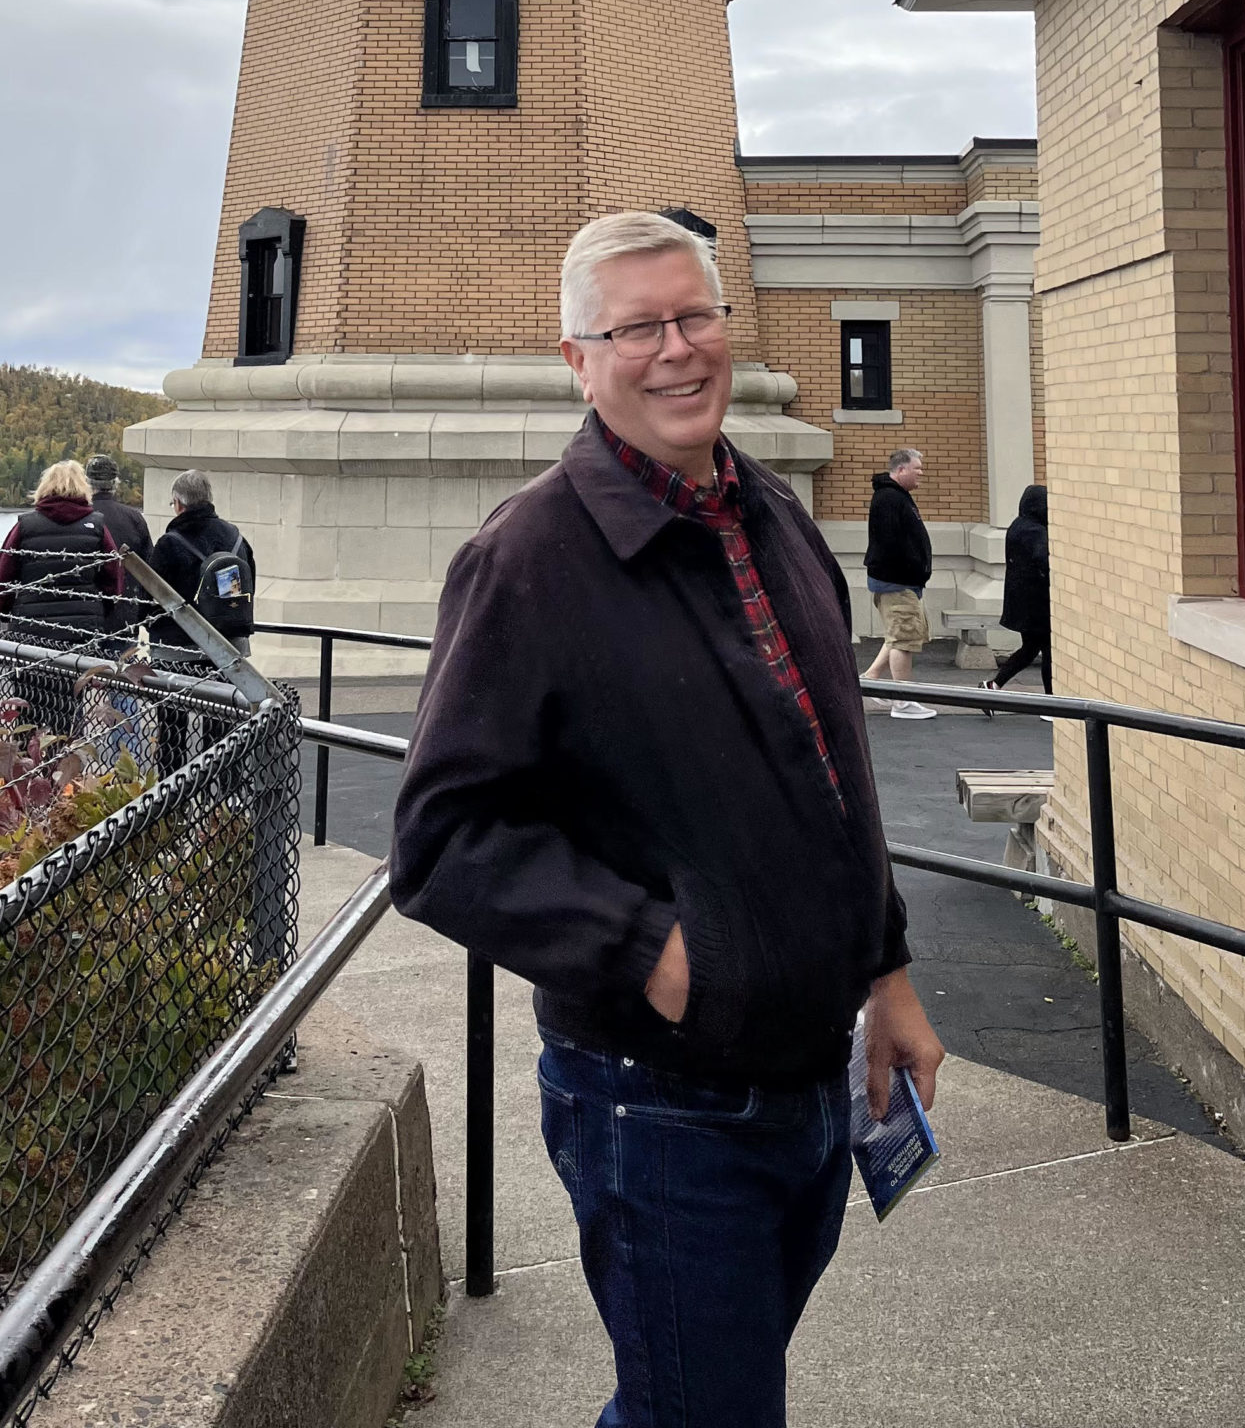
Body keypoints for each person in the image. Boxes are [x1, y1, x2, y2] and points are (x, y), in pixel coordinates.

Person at [391, 212, 943, 1428]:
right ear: (578, 361)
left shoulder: (778, 520)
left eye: (696, 316)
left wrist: (887, 973)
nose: (677, 348)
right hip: (660, 1102)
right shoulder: (528, 559)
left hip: (805, 1078)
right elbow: (440, 842)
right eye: (636, 327)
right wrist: (655, 952)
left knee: (691, 1403)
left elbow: (832, 771)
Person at [0, 461, 126, 743]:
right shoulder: (97, 526)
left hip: (31, 629)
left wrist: (3, 612)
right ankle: (64, 761)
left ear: (44, 488)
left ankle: (28, 764)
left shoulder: (26, 525)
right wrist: (100, 612)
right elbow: (114, 579)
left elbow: (2, 577)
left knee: (28, 700)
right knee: (70, 701)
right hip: (79, 631)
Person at [143, 469, 257, 774]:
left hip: (176, 653)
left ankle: (172, 794)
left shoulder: (169, 543)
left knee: (173, 732)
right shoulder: (235, 538)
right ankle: (220, 801)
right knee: (222, 727)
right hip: (228, 648)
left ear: (179, 503)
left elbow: (148, 601)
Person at [862, 447, 935, 719]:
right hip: (897, 583)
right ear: (901, 469)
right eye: (917, 469)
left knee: (899, 634)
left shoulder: (895, 496)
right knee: (904, 639)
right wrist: (912, 570)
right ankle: (902, 701)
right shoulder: (889, 499)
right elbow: (891, 543)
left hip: (900, 582)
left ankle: (870, 677)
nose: (921, 474)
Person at [988, 482, 1052, 695]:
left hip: (1021, 602)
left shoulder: (1018, 525)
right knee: (1048, 652)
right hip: (1038, 603)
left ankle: (994, 685)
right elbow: (1044, 560)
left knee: (1030, 649)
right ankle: (1052, 702)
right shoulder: (1036, 531)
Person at [85, 454, 151, 561]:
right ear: (115, 483)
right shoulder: (134, 518)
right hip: (126, 576)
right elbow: (148, 562)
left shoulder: (78, 516)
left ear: (87, 483)